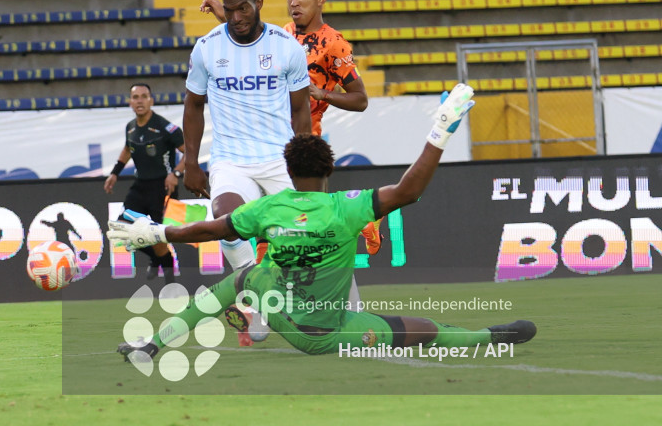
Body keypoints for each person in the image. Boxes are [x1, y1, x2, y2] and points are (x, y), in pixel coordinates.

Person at [109, 84, 537, 362]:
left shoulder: (269, 208)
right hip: (332, 332)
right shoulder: (345, 207)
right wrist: (440, 131)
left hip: (285, 317)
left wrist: (158, 232)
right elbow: (408, 190)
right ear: (329, 169)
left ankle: (155, 344)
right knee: (425, 331)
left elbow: (211, 229)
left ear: (288, 170)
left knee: (240, 279)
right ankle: (489, 336)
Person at [200, 0, 384, 257]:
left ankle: (362, 220)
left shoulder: (333, 44)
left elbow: (360, 99)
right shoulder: (284, 34)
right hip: (266, 142)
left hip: (302, 139)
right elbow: (245, 26)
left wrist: (322, 93)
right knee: (279, 228)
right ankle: (361, 220)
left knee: (312, 228)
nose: (294, 2)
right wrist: (220, 10)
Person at [184, 0, 312, 345]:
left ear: (259, 3)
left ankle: (332, 304)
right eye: (230, 10)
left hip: (280, 158)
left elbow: (300, 110)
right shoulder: (206, 48)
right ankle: (256, 293)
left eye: (243, 8)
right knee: (227, 222)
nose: (237, 17)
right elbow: (193, 106)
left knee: (310, 232)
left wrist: (304, 161)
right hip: (231, 160)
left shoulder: (286, 47)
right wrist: (191, 163)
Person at [104, 83, 185, 283]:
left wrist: (175, 173)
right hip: (140, 186)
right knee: (121, 228)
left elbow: (189, 152)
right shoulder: (130, 127)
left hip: (163, 188)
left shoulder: (165, 127)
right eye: (135, 97)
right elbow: (127, 149)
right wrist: (114, 173)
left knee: (158, 237)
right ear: (130, 102)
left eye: (144, 96)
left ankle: (171, 286)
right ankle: (155, 258)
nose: (139, 101)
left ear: (151, 101)